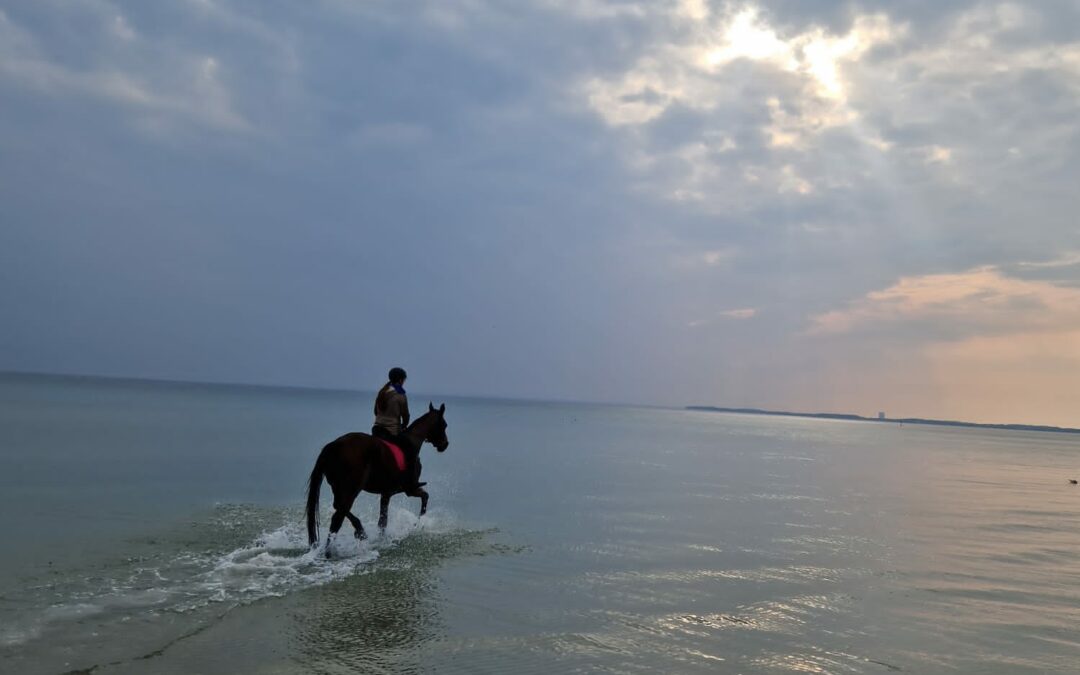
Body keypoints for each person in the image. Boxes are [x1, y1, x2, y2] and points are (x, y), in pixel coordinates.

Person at [371, 367, 420, 489]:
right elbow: (406, 415)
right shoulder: (400, 393)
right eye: (403, 380)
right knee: (411, 449)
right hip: (390, 432)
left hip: (376, 430)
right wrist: (404, 425)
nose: (403, 383)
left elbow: (375, 412)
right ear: (400, 380)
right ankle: (410, 482)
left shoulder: (382, 391)